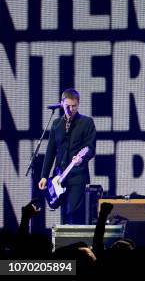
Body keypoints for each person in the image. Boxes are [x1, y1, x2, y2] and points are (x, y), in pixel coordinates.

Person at [38, 88, 96, 224]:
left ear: (78, 104)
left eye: (74, 106)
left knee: (74, 211)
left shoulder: (86, 123)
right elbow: (50, 151)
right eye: (67, 106)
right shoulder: (56, 124)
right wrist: (44, 176)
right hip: (59, 176)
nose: (71, 109)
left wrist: (81, 158)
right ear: (62, 104)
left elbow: (91, 148)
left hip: (77, 175)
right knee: (64, 214)